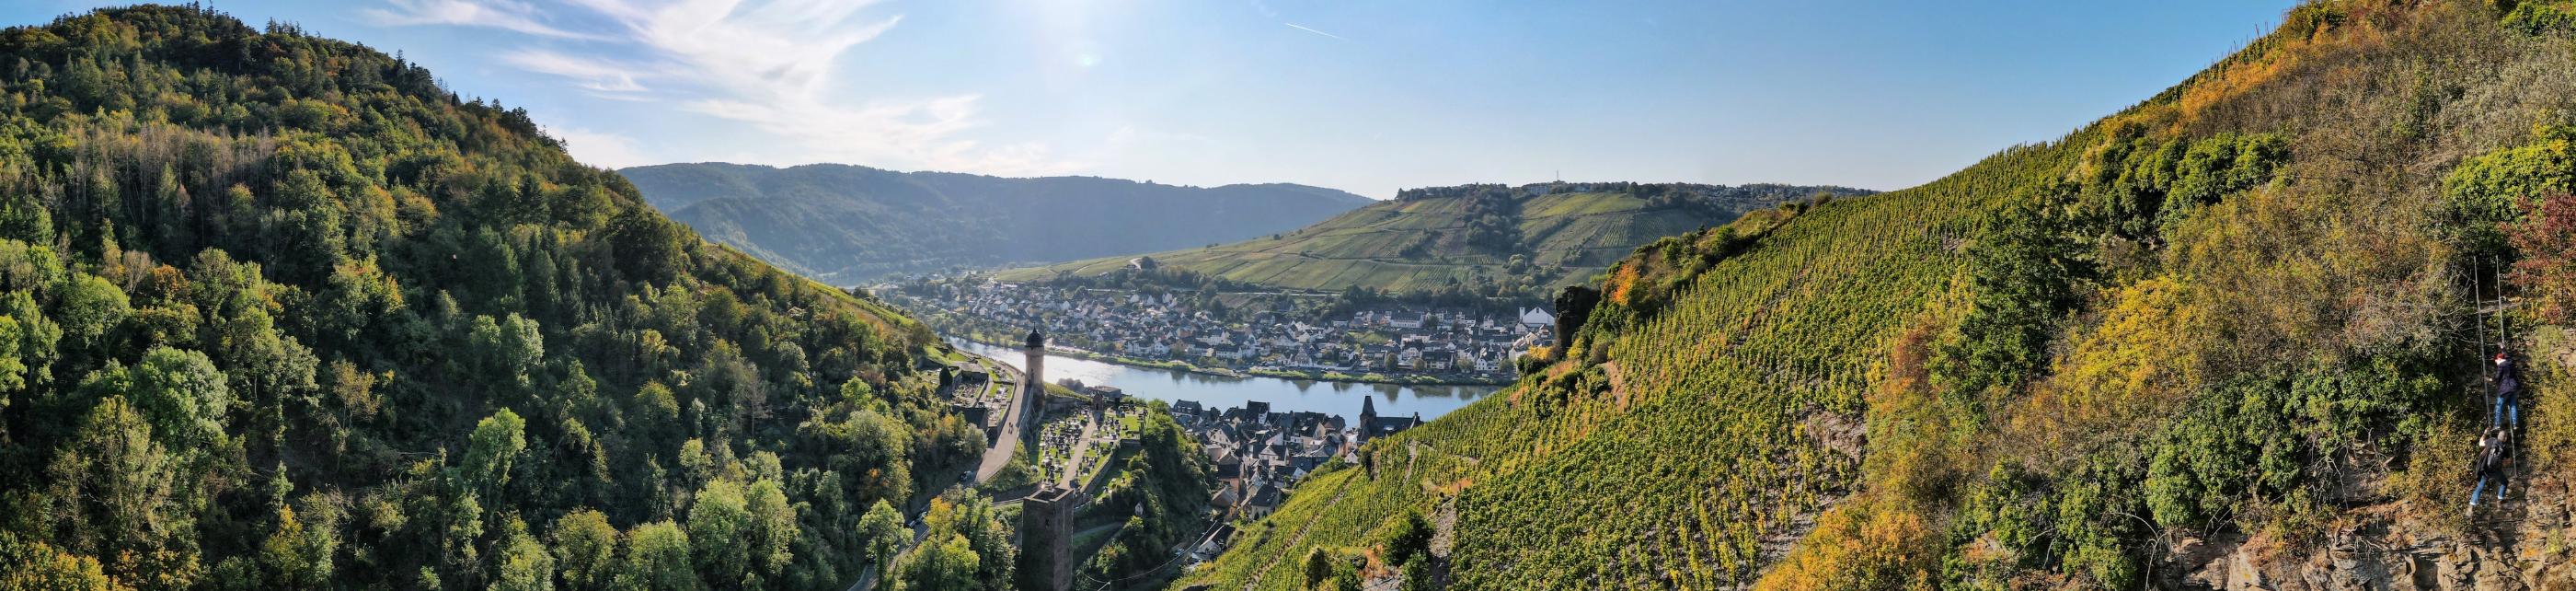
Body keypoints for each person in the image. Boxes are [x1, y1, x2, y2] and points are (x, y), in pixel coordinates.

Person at [2469, 426, 2511, 514]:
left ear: (2498, 436)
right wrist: (2502, 463)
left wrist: (2485, 433)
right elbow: (2508, 462)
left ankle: (2472, 505)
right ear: (2505, 438)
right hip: (2496, 471)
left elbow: (2480, 443)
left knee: (2480, 487)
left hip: (2485, 469)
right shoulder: (2505, 448)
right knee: (2505, 482)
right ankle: (2499, 501)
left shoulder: (2491, 440)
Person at [2493, 350, 2522, 430]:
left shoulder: (2501, 365)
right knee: (2513, 405)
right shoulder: (2510, 362)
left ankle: (2497, 425)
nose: (2497, 364)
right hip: (2514, 388)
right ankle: (2515, 424)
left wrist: (2490, 380)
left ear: (2499, 359)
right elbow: (2508, 356)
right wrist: (2503, 348)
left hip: (2505, 389)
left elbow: (2497, 377)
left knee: (2499, 406)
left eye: (2496, 362)